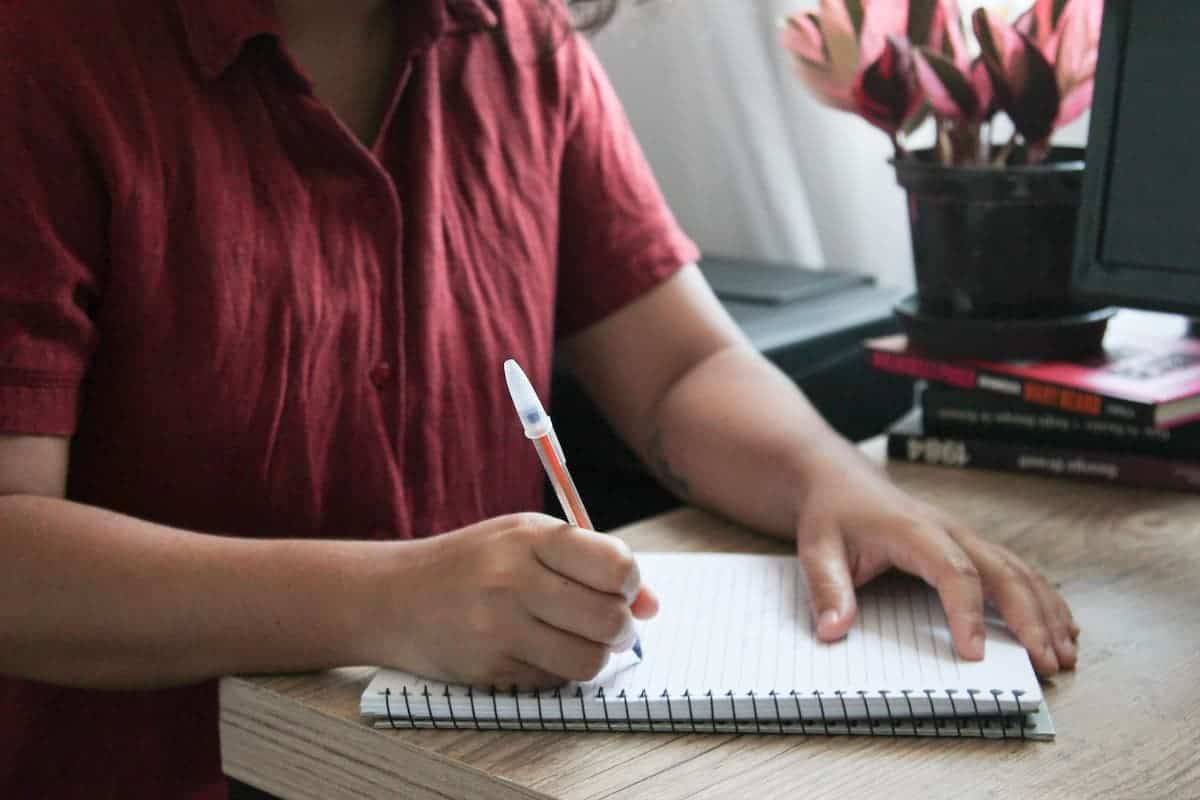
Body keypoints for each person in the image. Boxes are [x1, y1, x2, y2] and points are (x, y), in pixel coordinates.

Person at [0, 0, 1078, 796]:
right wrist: (385, 599)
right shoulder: (41, 56)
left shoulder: (521, 42)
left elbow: (678, 368)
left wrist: (832, 482)